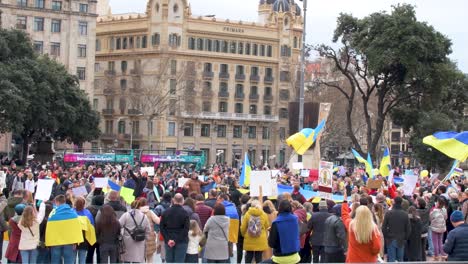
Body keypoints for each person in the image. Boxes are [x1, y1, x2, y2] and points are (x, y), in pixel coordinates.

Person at [341, 192, 381, 263]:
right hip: (369, 260)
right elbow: (377, 247)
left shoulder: (351, 224)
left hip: (353, 260)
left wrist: (345, 201)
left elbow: (344, 215)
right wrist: (371, 253)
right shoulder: (373, 228)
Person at [267, 200, 301, 264]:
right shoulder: (296, 219)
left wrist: (270, 232)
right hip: (295, 257)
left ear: (279, 208)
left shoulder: (276, 222)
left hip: (280, 259)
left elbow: (271, 244)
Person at [160, 193, 190, 263]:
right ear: (183, 201)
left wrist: (168, 239)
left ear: (173, 200)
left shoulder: (165, 212)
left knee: (169, 261)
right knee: (179, 261)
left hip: (168, 240)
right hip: (181, 241)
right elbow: (186, 229)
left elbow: (162, 228)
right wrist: (176, 240)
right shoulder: (185, 213)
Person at [119, 198, 150, 263]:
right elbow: (148, 230)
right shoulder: (144, 216)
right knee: (137, 258)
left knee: (127, 259)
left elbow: (119, 225)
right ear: (139, 206)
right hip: (140, 240)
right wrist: (146, 239)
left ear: (131, 206)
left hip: (127, 240)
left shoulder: (126, 215)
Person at [382, 196, 411, 262]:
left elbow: (383, 227)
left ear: (394, 202)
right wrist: (405, 238)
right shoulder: (405, 214)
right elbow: (408, 229)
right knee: (400, 260)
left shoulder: (388, 213)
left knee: (391, 260)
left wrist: (387, 236)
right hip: (401, 239)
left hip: (390, 238)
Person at [241, 199, 270, 263]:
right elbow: (266, 226)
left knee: (248, 256)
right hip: (260, 238)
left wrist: (244, 235)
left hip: (249, 237)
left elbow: (243, 227)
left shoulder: (247, 214)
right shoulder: (264, 214)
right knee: (259, 257)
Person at [137, 198, 160, 263]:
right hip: (150, 236)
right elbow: (158, 221)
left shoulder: (136, 212)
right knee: (150, 257)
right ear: (146, 204)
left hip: (139, 237)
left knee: (140, 257)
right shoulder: (150, 212)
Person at [74, 197, 95, 264]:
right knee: (82, 260)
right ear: (84, 204)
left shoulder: (71, 212)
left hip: (72, 240)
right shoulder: (88, 214)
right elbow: (92, 227)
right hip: (84, 240)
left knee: (72, 260)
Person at [430, 197, 447, 261]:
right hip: (442, 227)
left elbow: (430, 218)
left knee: (435, 242)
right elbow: (446, 217)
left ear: (438, 203)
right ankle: (443, 253)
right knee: (440, 241)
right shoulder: (444, 209)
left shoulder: (434, 210)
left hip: (435, 228)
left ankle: (436, 255)